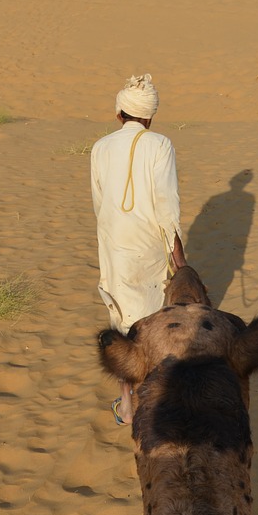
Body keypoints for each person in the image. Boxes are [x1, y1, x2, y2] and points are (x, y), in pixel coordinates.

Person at [91, 74, 186, 424]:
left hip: (114, 244)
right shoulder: (160, 144)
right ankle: (155, 399)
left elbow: (99, 203)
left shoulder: (101, 147)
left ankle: (127, 405)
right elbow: (167, 208)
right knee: (154, 324)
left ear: (119, 114)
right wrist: (180, 260)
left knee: (121, 323)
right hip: (150, 247)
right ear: (150, 116)